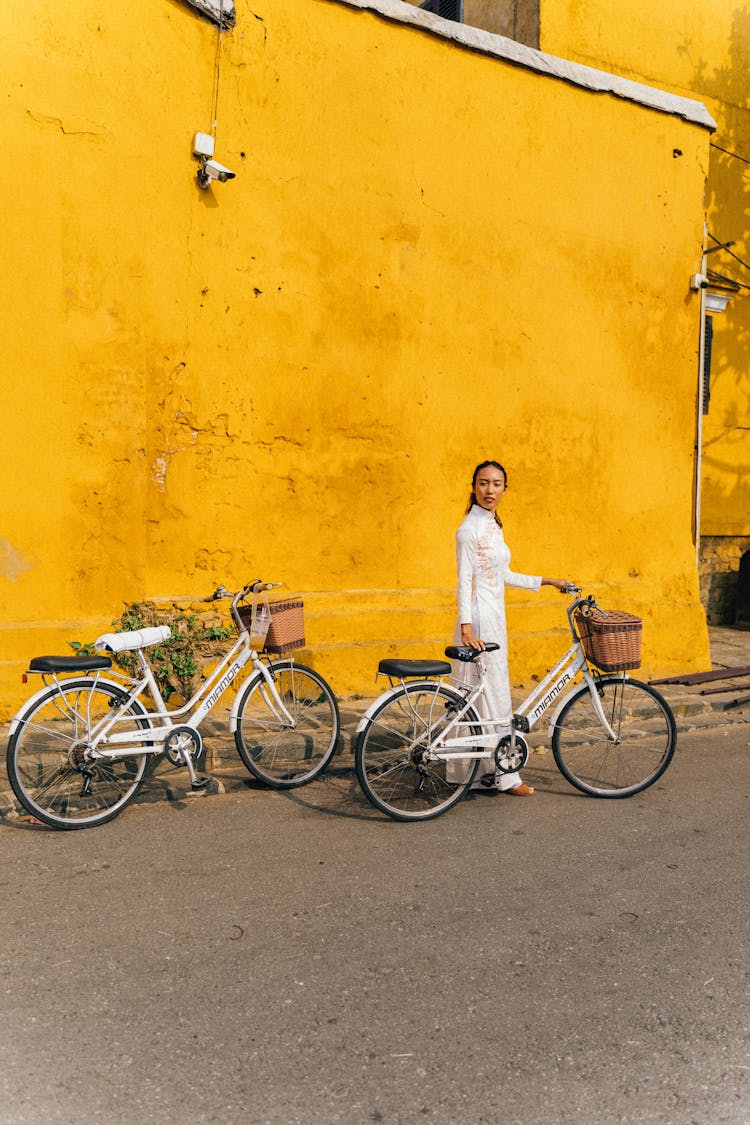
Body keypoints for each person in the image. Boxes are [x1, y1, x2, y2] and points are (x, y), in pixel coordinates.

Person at [450, 460, 572, 796]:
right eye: (484, 483)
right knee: (486, 694)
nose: (490, 490)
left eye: (497, 484)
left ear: (505, 488)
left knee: (489, 694)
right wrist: (466, 629)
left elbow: (504, 574)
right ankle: (505, 777)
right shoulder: (468, 530)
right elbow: (463, 583)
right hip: (478, 619)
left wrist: (548, 581)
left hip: (494, 615)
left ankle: (487, 770)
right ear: (473, 486)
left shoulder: (492, 525)